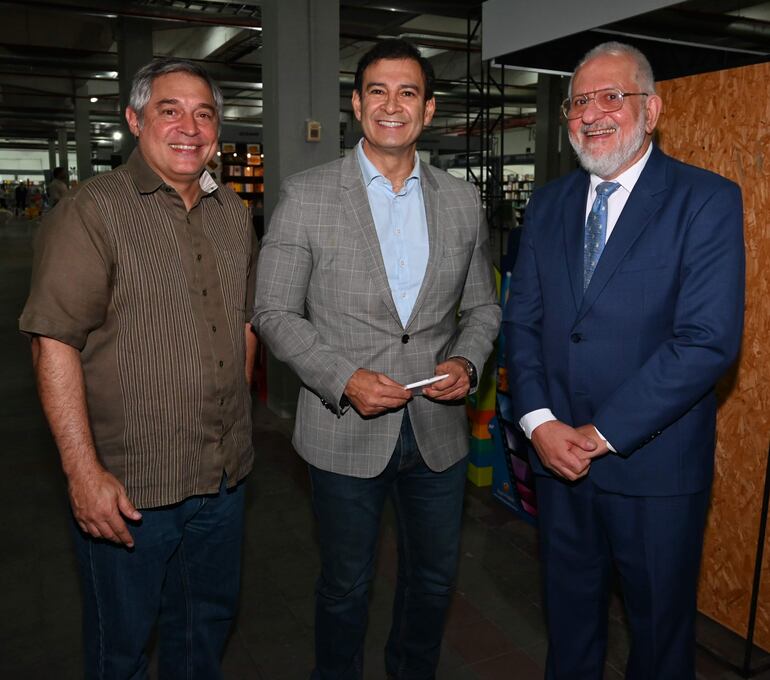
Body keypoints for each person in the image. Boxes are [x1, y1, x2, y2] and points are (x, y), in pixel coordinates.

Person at [254, 38, 500, 680]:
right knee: (345, 585)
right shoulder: (305, 194)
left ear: (429, 108)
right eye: (379, 92)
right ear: (357, 105)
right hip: (343, 432)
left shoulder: (460, 201)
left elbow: (481, 308)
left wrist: (469, 365)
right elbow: (274, 311)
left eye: (409, 92)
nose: (393, 105)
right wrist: (344, 378)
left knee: (433, 581)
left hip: (438, 434)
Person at [504, 41, 745, 679]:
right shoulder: (550, 204)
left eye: (612, 96)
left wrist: (601, 433)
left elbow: (706, 340)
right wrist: (537, 421)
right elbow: (521, 321)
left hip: (653, 468)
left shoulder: (706, 200)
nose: (591, 113)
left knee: (661, 641)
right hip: (558, 464)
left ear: (653, 109)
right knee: (570, 628)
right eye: (578, 101)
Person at [19, 57, 257, 679]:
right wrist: (82, 473)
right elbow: (53, 342)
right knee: (120, 648)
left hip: (223, 477)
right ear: (133, 119)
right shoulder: (91, 211)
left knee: (203, 631)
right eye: (169, 110)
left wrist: (240, 423)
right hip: (132, 491)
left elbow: (244, 325)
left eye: (204, 113)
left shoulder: (232, 213)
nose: (189, 126)